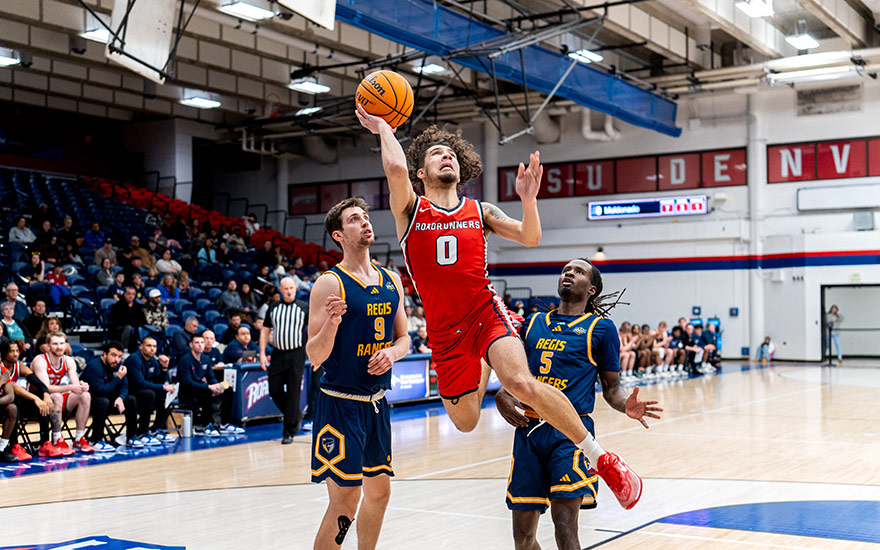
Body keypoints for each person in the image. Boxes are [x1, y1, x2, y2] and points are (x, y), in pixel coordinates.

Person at [357, 109, 642, 507]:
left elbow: (530, 236)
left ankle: (602, 459)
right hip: (444, 332)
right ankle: (486, 363)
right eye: (436, 154)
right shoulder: (410, 211)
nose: (446, 157)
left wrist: (529, 200)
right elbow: (392, 166)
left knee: (522, 384)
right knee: (466, 421)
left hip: (485, 313)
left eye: (451, 154)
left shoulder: (480, 212)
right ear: (419, 173)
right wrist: (384, 127)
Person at [496, 259, 662, 548]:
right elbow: (514, 375)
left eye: (578, 271)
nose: (568, 273)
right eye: (565, 270)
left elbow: (612, 389)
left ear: (591, 289)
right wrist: (502, 395)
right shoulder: (533, 323)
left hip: (571, 433)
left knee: (565, 527)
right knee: (522, 539)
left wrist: (626, 405)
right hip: (529, 432)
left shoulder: (601, 329)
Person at [306, 197, 410, 549]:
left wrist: (393, 354)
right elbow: (314, 354)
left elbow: (405, 337)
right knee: (346, 500)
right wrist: (332, 324)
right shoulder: (329, 283)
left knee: (379, 494)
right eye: (354, 219)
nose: (365, 222)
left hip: (377, 404)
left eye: (365, 217)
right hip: (340, 403)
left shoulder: (391, 279)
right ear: (339, 234)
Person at [81, 341, 159, 450]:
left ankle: (132, 436)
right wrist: (118, 378)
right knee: (103, 401)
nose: (116, 360)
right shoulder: (94, 366)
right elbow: (100, 390)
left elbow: (125, 386)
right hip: (90, 403)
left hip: (110, 399)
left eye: (119, 356)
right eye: (113, 355)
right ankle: (95, 440)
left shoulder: (119, 365)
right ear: (104, 354)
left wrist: (120, 398)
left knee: (131, 399)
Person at [259, 277, 308, 444]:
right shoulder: (273, 308)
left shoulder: (303, 307)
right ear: (280, 290)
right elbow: (265, 331)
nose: (289, 291)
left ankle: (288, 431)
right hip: (278, 353)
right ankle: (295, 415)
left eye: (292, 288)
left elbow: (314, 329)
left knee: (294, 392)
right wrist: (262, 352)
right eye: (286, 288)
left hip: (297, 353)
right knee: (274, 389)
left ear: (296, 289)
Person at [31, 331, 94, 455]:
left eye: (61, 343)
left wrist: (82, 387)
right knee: (56, 396)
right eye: (55, 344)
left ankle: (79, 439)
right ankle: (57, 439)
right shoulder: (40, 360)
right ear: (48, 346)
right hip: (37, 401)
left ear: (66, 345)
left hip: (56, 401)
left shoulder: (69, 360)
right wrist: (70, 387)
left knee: (85, 396)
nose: (59, 347)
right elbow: (46, 388)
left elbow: (75, 384)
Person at [176, 332, 240, 436]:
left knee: (228, 390)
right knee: (206, 391)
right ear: (191, 345)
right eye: (197, 342)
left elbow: (211, 377)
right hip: (187, 392)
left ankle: (224, 423)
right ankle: (207, 425)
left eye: (202, 342)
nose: (200, 345)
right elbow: (188, 382)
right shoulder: (185, 360)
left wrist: (217, 386)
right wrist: (209, 387)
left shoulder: (205, 359)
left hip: (201, 388)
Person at [2, 339, 52, 460]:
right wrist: (35, 398)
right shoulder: (1, 367)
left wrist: (46, 394)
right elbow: (14, 389)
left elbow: (37, 382)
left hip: (10, 402)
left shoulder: (19, 366)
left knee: (42, 403)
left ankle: (45, 443)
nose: (15, 354)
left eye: (17, 351)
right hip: (5, 404)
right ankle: (14, 445)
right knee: (15, 401)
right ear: (3, 353)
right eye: (11, 351)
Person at [124, 336, 177, 442]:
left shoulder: (153, 360)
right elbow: (140, 383)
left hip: (145, 392)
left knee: (163, 394)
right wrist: (164, 387)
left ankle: (156, 429)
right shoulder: (134, 359)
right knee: (150, 394)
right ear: (141, 347)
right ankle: (141, 433)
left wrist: (164, 368)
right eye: (149, 346)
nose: (152, 349)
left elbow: (159, 381)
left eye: (154, 346)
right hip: (131, 392)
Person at [108, 287, 147, 352]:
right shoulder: (118, 305)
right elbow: (117, 320)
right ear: (125, 294)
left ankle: (143, 350)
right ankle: (124, 349)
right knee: (128, 327)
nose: (131, 296)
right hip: (120, 327)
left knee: (142, 328)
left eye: (133, 294)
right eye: (129, 294)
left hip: (134, 327)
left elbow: (143, 320)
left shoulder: (137, 306)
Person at [0, 364, 20, 462]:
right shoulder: (2, 377)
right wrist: (1, 382)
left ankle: (1, 449)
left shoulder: (3, 370)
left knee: (12, 408)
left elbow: (10, 396)